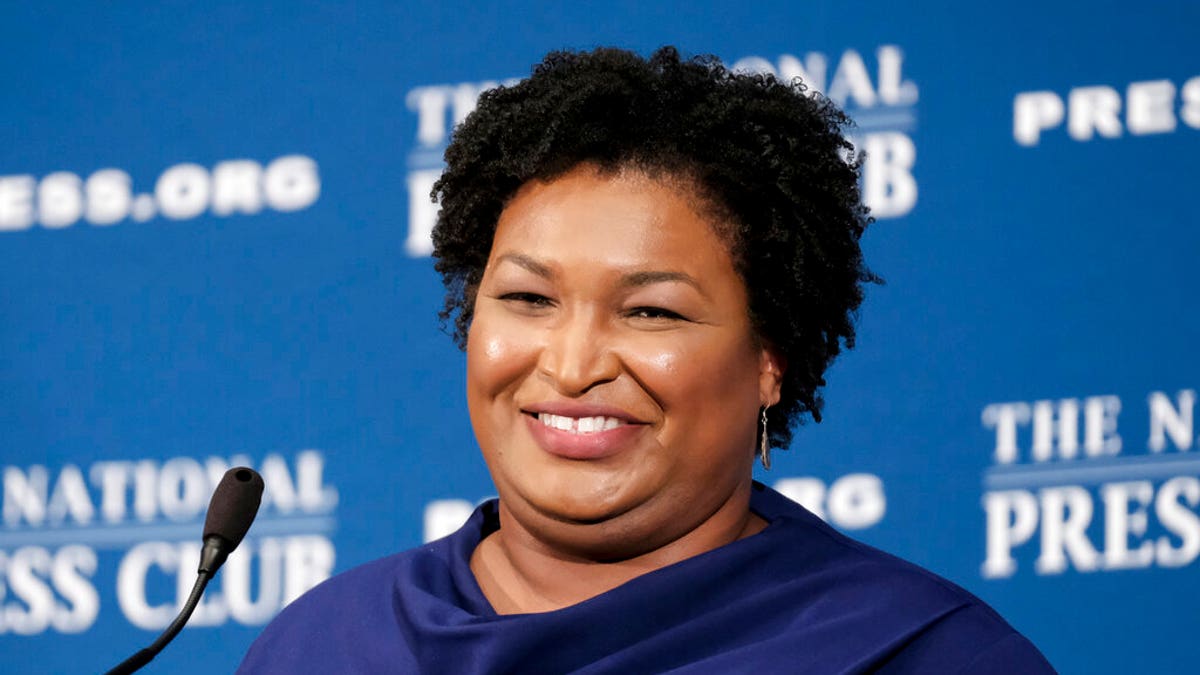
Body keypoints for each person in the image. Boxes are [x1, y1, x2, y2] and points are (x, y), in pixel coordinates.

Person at [239, 46, 1054, 673]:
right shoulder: (325, 643)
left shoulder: (912, 654)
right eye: (529, 299)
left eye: (650, 311)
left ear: (770, 356)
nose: (572, 362)